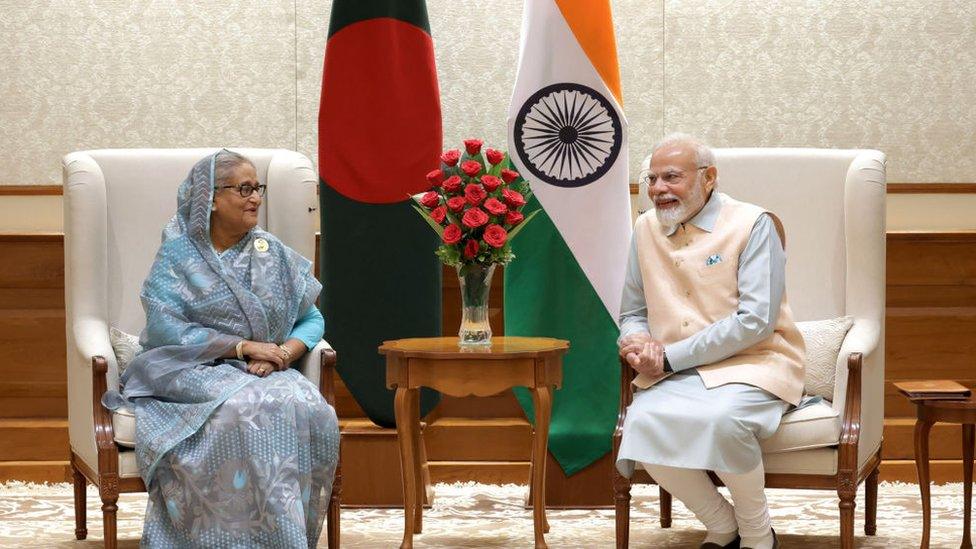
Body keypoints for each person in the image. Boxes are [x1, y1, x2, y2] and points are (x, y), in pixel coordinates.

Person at [104, 150, 339, 547]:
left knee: (303, 405)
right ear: (211, 198)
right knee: (237, 411)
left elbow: (312, 319)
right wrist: (244, 348)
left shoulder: (270, 252)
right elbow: (165, 327)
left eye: (257, 188)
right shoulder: (179, 255)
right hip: (188, 367)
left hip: (266, 367)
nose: (256, 198)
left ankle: (281, 538)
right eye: (244, 189)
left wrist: (282, 353)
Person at [616, 134, 808, 549]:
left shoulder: (754, 224)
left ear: (709, 178)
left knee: (725, 422)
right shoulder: (645, 227)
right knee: (642, 425)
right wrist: (636, 343)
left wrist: (668, 358)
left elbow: (756, 321)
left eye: (671, 177)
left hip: (755, 363)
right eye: (651, 179)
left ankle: (758, 536)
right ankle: (722, 524)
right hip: (674, 371)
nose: (658, 189)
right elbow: (631, 310)